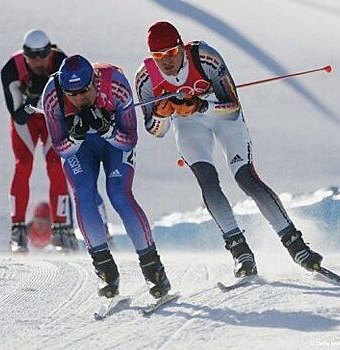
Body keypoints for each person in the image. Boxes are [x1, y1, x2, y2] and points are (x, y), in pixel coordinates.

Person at [135, 21, 323, 278]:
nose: (165, 61)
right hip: (189, 126)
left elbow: (232, 105)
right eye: (158, 56)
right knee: (208, 181)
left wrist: (201, 106)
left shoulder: (205, 56)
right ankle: (240, 251)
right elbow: (156, 131)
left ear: (180, 45)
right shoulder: (145, 78)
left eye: (170, 52)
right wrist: (161, 114)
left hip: (222, 116)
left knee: (245, 178)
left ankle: (296, 245)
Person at [42, 55, 171, 299]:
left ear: (95, 82)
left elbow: (130, 140)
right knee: (84, 193)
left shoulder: (115, 83)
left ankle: (154, 270)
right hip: (82, 149)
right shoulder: (52, 95)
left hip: (114, 145)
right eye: (72, 94)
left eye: (84, 91)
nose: (79, 98)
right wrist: (76, 137)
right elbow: (59, 148)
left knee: (119, 193)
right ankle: (105, 270)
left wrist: (108, 130)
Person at [1, 29, 74, 253]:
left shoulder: (61, 61)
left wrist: (41, 96)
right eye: (32, 58)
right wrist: (34, 98)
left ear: (50, 51)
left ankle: (62, 229)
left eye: (43, 56)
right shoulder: (11, 69)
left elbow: (70, 103)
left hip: (53, 117)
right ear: (24, 56)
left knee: (56, 164)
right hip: (27, 120)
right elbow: (18, 115)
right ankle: (18, 230)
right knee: (23, 164)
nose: (39, 62)